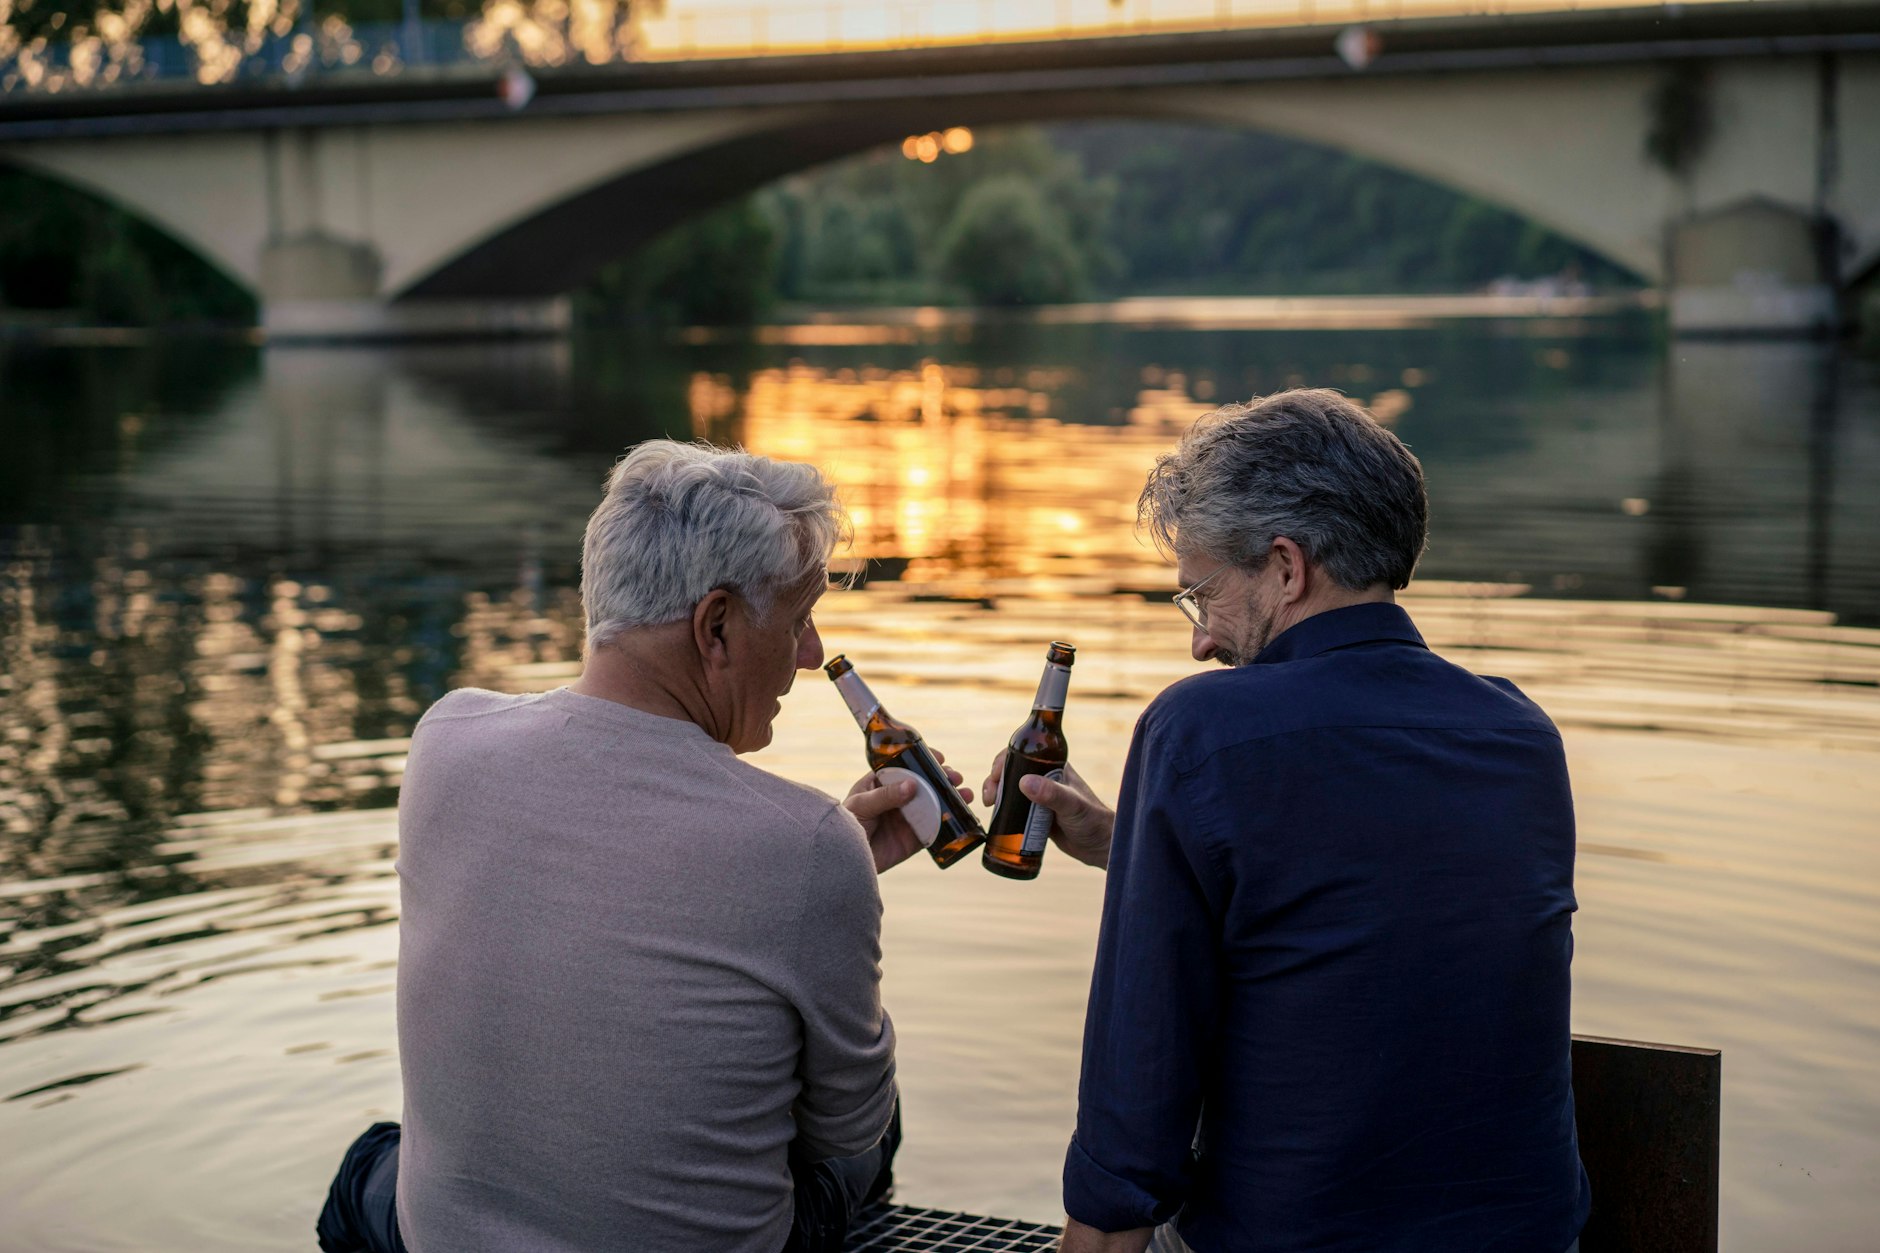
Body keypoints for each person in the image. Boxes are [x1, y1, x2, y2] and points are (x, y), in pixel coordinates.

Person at [317, 441, 960, 1253]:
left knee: (371, 1163)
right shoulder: (804, 845)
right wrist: (828, 879)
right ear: (716, 625)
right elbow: (844, 1125)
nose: (809, 651)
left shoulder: (447, 739)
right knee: (876, 1131)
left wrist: (832, 877)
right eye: (799, 619)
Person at [987, 390, 1589, 1253]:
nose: (1200, 641)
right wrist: (1133, 844)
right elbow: (1353, 890)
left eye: (1202, 595)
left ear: (1285, 566)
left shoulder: (1200, 731)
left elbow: (1136, 1116)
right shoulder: (1520, 735)